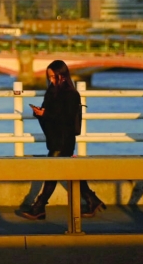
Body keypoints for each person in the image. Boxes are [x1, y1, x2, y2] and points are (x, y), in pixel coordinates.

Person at [18, 60, 104, 220]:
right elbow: (49, 114)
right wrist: (39, 113)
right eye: (49, 77)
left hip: (65, 139)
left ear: (62, 76)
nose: (51, 80)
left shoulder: (71, 94)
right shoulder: (51, 91)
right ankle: (92, 200)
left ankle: (39, 207)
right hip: (54, 137)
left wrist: (45, 114)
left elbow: (67, 119)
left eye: (53, 76)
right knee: (70, 172)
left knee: (52, 172)